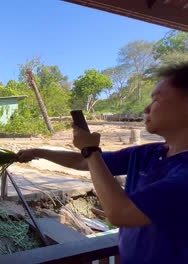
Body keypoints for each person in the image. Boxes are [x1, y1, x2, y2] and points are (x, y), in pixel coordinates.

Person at [17, 63, 188, 264]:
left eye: (157, 99)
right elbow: (84, 162)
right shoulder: (147, 153)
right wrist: (39, 152)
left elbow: (120, 213)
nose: (146, 108)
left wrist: (91, 151)